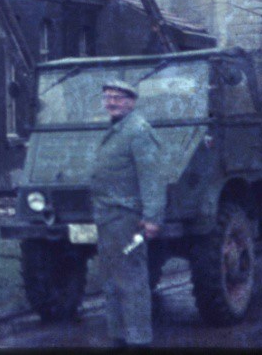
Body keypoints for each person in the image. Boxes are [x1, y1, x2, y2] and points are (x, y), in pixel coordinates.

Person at [90, 79, 165, 348]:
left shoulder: (138, 131)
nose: (112, 103)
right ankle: (119, 336)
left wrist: (152, 217)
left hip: (127, 218)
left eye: (118, 98)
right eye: (108, 97)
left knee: (131, 279)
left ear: (131, 102)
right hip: (109, 218)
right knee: (111, 279)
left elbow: (152, 177)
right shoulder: (116, 130)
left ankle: (139, 339)